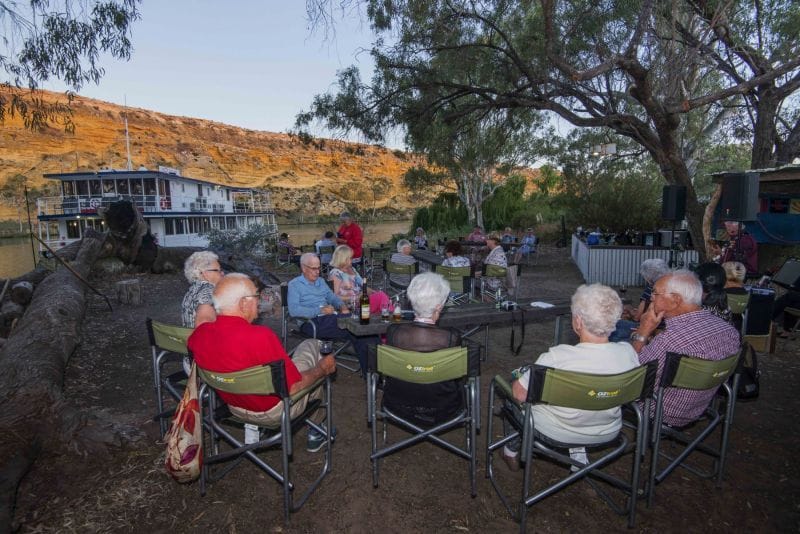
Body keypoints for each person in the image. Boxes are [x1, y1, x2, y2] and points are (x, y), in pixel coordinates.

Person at [188, 274, 336, 452]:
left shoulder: (198, 335)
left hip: (233, 406)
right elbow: (295, 387)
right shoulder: (260, 337)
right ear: (243, 303)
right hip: (273, 411)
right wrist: (321, 369)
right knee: (314, 350)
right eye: (256, 297)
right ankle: (317, 430)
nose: (259, 303)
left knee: (300, 355)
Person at [500, 284, 640, 471]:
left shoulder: (557, 358)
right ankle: (577, 452)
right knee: (586, 397)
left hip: (558, 431)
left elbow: (518, 395)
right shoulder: (628, 353)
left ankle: (510, 450)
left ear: (578, 322)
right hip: (607, 431)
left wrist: (520, 377)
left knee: (511, 394)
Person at [629, 270, 740, 427]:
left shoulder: (670, 341)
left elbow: (631, 375)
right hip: (699, 406)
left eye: (655, 293)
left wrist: (643, 331)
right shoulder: (729, 331)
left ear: (675, 300)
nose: (651, 297)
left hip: (660, 410)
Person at [383, 272, 464, 426]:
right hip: (443, 406)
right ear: (439, 306)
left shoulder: (394, 332)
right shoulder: (450, 337)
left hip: (399, 402)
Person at [288, 252, 374, 373]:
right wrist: (320, 310)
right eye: (314, 268)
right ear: (303, 268)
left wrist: (342, 305)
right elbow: (294, 311)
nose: (317, 271)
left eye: (318, 268)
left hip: (330, 318)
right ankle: (371, 372)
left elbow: (332, 297)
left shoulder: (321, 282)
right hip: (310, 323)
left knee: (361, 329)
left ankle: (372, 373)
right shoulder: (294, 285)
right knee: (357, 327)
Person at [329, 245, 391, 314]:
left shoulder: (352, 269)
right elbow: (334, 296)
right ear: (343, 259)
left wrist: (374, 292)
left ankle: (388, 314)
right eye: (350, 258)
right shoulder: (336, 273)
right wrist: (356, 297)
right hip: (351, 305)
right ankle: (390, 314)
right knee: (381, 298)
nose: (352, 260)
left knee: (381, 296)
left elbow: (363, 285)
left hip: (361, 300)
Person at [181, 250, 224, 328]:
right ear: (205, 274)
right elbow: (204, 323)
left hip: (190, 337)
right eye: (218, 270)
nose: (222, 273)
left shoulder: (192, 290)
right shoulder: (208, 291)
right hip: (204, 338)